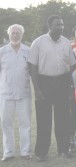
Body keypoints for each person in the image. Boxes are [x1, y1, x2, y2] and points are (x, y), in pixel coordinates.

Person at [28, 15, 76, 162]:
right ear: (50, 26)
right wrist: (37, 89)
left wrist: (70, 88)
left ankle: (63, 149)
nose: (61, 27)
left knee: (63, 118)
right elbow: (33, 66)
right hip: (44, 82)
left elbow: (72, 65)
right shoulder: (38, 42)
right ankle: (41, 152)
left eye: (62, 25)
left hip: (62, 82)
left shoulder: (66, 43)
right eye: (57, 25)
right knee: (44, 119)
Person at [0, 24, 32, 161]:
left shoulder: (28, 51)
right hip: (6, 94)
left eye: (17, 33)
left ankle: (25, 152)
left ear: (22, 35)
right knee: (6, 124)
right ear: (8, 35)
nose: (15, 35)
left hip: (24, 93)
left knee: (25, 123)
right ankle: (8, 153)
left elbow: (33, 72)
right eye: (12, 33)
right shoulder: (2, 52)